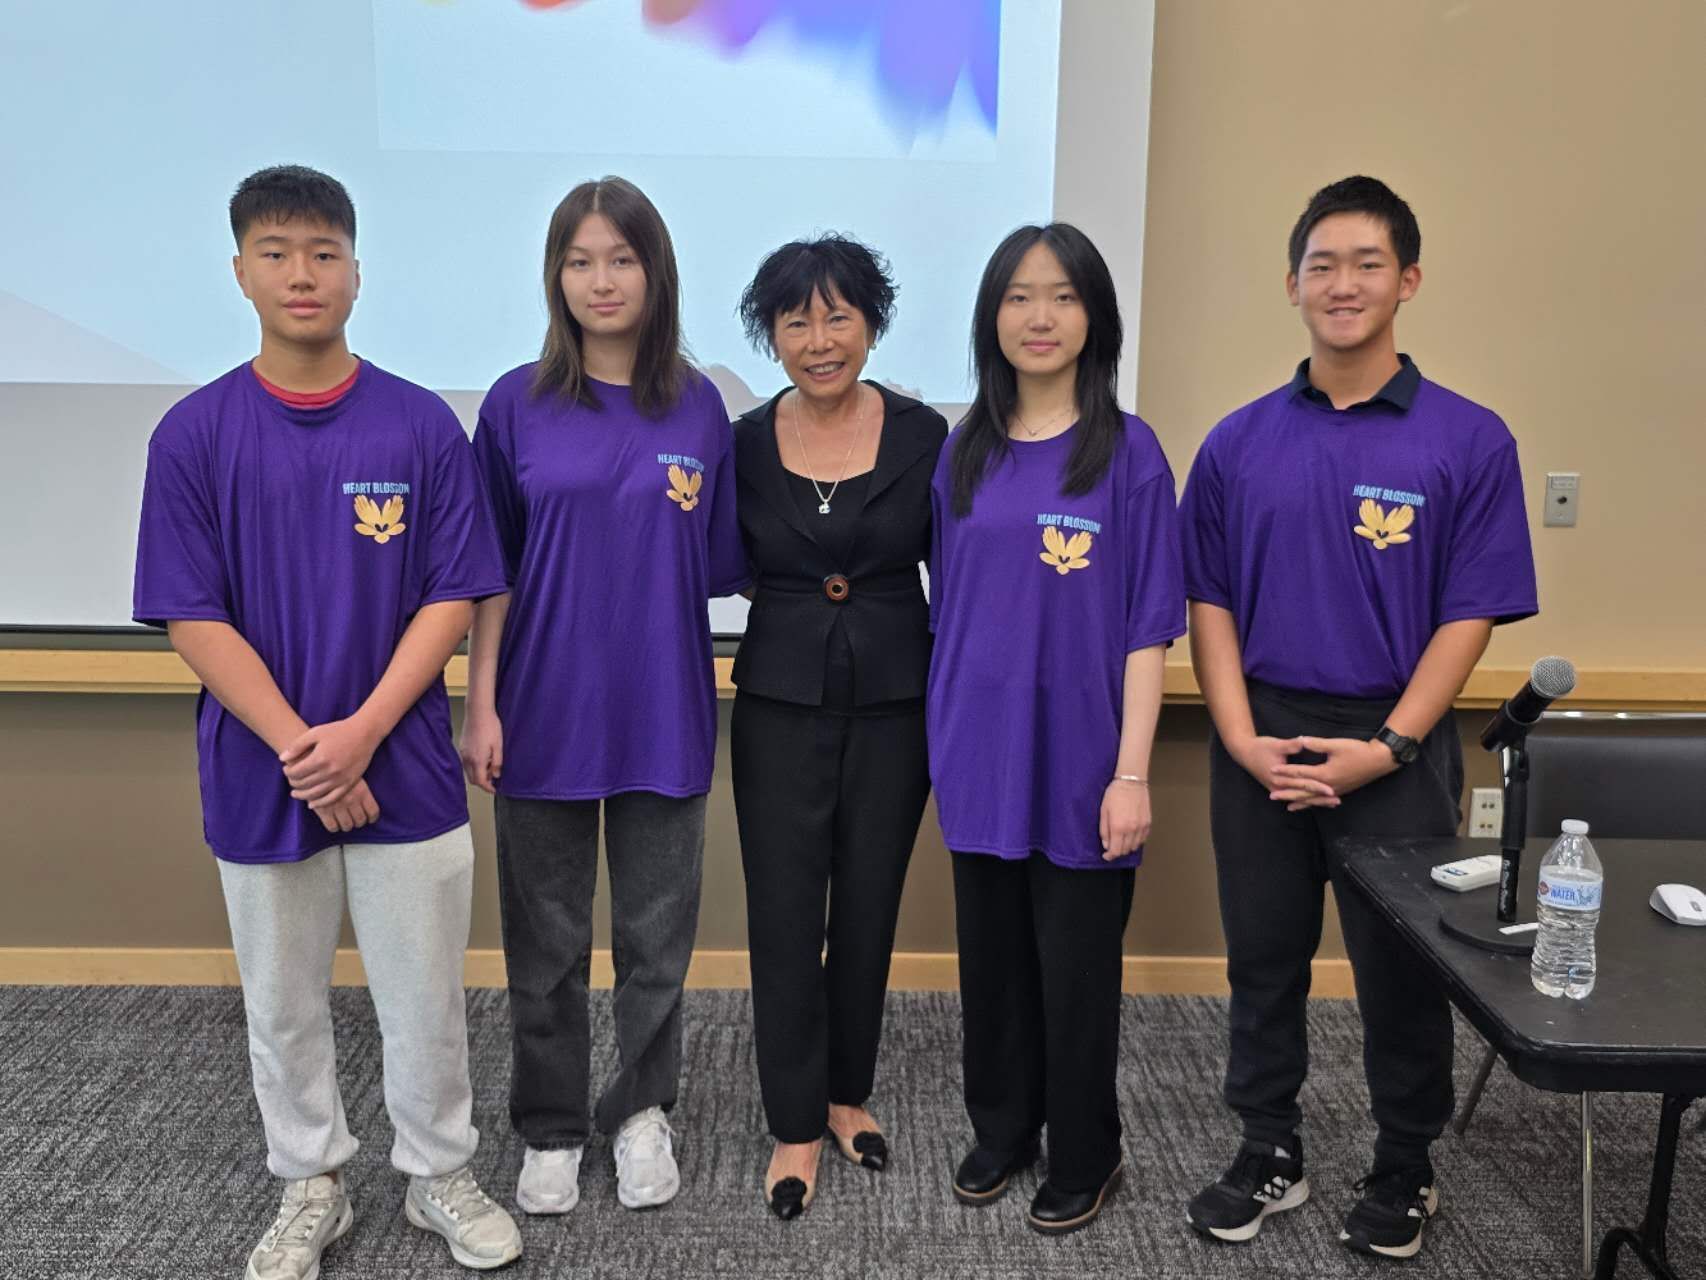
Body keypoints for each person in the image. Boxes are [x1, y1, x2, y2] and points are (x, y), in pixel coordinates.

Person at [132, 165, 522, 1279]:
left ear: (356, 268)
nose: (301, 274)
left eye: (323, 252)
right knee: (284, 1003)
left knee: (424, 997)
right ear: (240, 271)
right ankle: (310, 1179)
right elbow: (189, 612)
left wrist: (358, 736)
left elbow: (452, 594)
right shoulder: (194, 433)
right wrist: (309, 750)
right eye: (276, 252)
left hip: (402, 764)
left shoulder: (418, 427)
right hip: (262, 773)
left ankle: (439, 1169)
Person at [1178, 175, 1538, 1260]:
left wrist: (1383, 746)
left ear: (1407, 280)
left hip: (1392, 741)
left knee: (1400, 974)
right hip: (1261, 736)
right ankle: (1268, 1147)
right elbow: (1210, 602)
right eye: (1321, 265)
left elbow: (1468, 611)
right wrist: (1239, 739)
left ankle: (1403, 1164)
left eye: (1366, 263)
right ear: (1290, 284)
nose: (1342, 284)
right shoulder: (1236, 444)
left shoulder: (1466, 440)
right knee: (1263, 959)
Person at [460, 176, 747, 1219]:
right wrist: (480, 703)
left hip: (663, 709)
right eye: (579, 261)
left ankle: (638, 1112)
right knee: (541, 941)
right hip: (538, 710)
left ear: (653, 270)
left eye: (619, 258)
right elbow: (483, 573)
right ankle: (547, 1124)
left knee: (655, 939)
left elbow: (718, 564)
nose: (600, 279)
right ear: (555, 277)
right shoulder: (513, 403)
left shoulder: (700, 404)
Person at [927, 222, 1185, 1236]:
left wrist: (1130, 774)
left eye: (1064, 295)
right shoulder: (964, 448)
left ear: (1094, 317)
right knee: (991, 963)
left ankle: (1086, 1147)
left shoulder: (1127, 454)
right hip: (977, 750)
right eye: (1019, 296)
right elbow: (951, 601)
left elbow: (1145, 629)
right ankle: (1001, 1130)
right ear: (992, 316)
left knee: (1076, 972)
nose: (1040, 316)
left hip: (1086, 762)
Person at [729, 235, 946, 1218]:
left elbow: (967, 569)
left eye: (838, 316)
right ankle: (793, 1120)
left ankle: (846, 1091)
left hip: (898, 700)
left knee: (866, 905)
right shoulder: (739, 441)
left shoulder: (922, 437)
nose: (819, 340)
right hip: (776, 700)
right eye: (795, 320)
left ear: (871, 321)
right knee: (782, 914)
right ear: (769, 333)